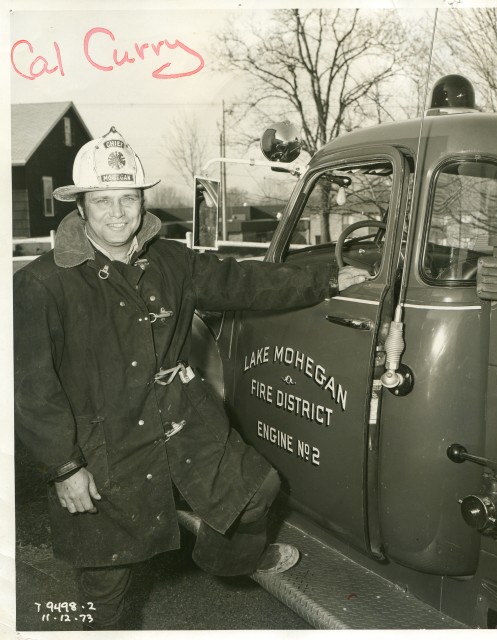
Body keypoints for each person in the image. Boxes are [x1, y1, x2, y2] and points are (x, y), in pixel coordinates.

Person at [13, 127, 369, 631]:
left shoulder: (170, 260)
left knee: (256, 490)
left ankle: (229, 562)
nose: (117, 213)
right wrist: (65, 468)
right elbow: (30, 391)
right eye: (103, 200)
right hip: (102, 446)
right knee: (107, 587)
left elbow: (241, 280)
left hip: (182, 418)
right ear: (81, 208)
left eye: (128, 198)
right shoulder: (40, 284)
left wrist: (326, 279)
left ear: (143, 201)